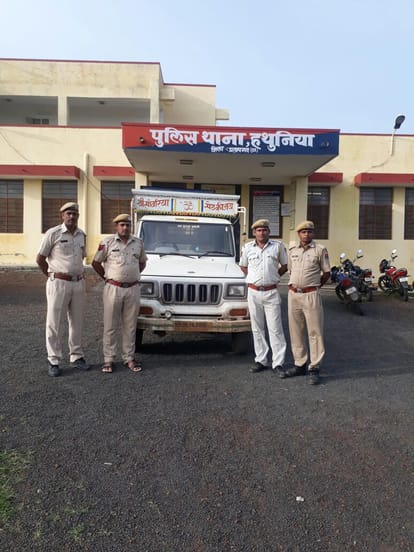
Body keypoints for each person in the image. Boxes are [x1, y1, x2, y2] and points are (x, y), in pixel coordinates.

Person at [36, 202, 88, 377]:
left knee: (77, 321)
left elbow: (81, 257)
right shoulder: (53, 233)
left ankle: (77, 356)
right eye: (68, 213)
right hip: (58, 283)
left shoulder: (81, 235)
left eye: (74, 213)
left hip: (78, 283)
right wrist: (51, 275)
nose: (72, 216)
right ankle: (54, 360)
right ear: (62, 215)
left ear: (78, 216)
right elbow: (40, 259)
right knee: (54, 322)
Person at [92, 213, 147, 374]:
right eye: (122, 225)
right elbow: (96, 262)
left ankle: (128, 357)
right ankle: (108, 359)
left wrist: (132, 275)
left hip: (133, 288)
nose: (125, 228)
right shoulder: (107, 242)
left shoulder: (138, 243)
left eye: (127, 225)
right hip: (113, 288)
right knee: (110, 325)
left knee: (130, 326)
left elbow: (142, 263)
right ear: (116, 226)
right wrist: (107, 277)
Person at [239, 218, 288, 376]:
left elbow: (285, 265)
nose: (262, 233)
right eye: (259, 230)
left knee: (275, 329)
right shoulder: (247, 248)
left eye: (265, 230)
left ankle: (278, 363)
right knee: (257, 328)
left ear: (269, 232)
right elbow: (243, 266)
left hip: (271, 292)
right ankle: (261, 360)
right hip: (253, 292)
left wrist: (274, 276)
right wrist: (253, 278)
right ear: (254, 232)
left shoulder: (278, 247)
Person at [285, 220, 331, 385]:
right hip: (293, 294)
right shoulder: (292, 250)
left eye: (309, 232)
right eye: (303, 232)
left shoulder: (320, 250)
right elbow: (290, 270)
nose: (306, 234)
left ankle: (314, 367)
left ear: (313, 234)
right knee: (296, 331)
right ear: (299, 234)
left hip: (311, 295)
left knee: (315, 332)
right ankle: (300, 364)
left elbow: (326, 273)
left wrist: (315, 286)